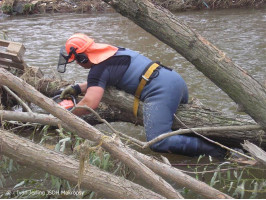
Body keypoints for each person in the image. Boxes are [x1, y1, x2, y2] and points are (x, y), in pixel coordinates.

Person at [58, 33, 226, 157]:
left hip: (160, 91)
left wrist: (67, 112)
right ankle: (213, 143)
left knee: (158, 142)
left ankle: (220, 153)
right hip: (174, 81)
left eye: (77, 62)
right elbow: (105, 79)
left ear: (82, 58)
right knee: (175, 128)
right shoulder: (113, 52)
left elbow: (90, 104)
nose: (79, 65)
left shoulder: (97, 70)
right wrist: (78, 88)